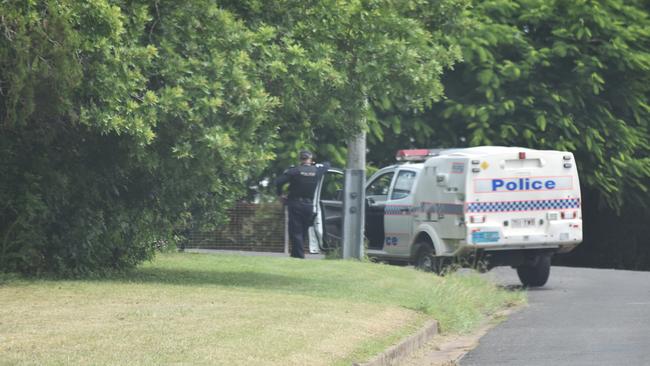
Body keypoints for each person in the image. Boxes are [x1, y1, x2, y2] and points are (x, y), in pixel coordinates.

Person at [275, 150, 330, 258]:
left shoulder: (294, 171)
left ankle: (299, 256)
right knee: (303, 232)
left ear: (300, 159)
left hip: (295, 204)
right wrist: (317, 164)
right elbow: (327, 164)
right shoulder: (317, 170)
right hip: (309, 206)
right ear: (311, 159)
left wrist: (280, 194)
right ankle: (296, 255)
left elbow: (278, 182)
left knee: (296, 231)